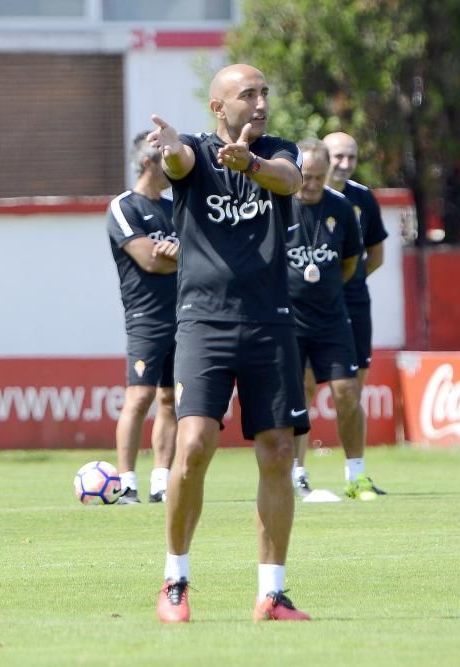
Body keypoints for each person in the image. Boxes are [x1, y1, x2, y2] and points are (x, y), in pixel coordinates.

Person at [146, 64, 312, 623]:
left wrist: (252, 163)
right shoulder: (193, 150)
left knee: (279, 452)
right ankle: (175, 581)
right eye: (248, 94)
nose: (261, 101)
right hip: (204, 323)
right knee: (192, 446)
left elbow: (288, 179)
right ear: (219, 108)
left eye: (265, 91)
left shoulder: (279, 150)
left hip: (271, 322)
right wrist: (169, 150)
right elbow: (179, 162)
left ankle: (272, 594)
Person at [290, 131, 389, 497]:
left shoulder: (345, 207)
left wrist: (326, 288)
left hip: (333, 315)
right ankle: (296, 472)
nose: (313, 184)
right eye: (307, 177)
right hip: (290, 318)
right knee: (297, 393)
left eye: (319, 177)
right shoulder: (280, 203)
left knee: (348, 391)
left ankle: (356, 475)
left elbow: (354, 261)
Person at [107, 132, 179, 505]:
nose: (174, 166)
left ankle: (161, 482)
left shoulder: (175, 206)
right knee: (139, 396)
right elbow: (149, 260)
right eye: (166, 159)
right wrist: (177, 257)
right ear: (149, 162)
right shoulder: (124, 207)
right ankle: (127, 482)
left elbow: (198, 255)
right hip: (146, 316)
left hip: (184, 315)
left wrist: (177, 255)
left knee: (171, 400)